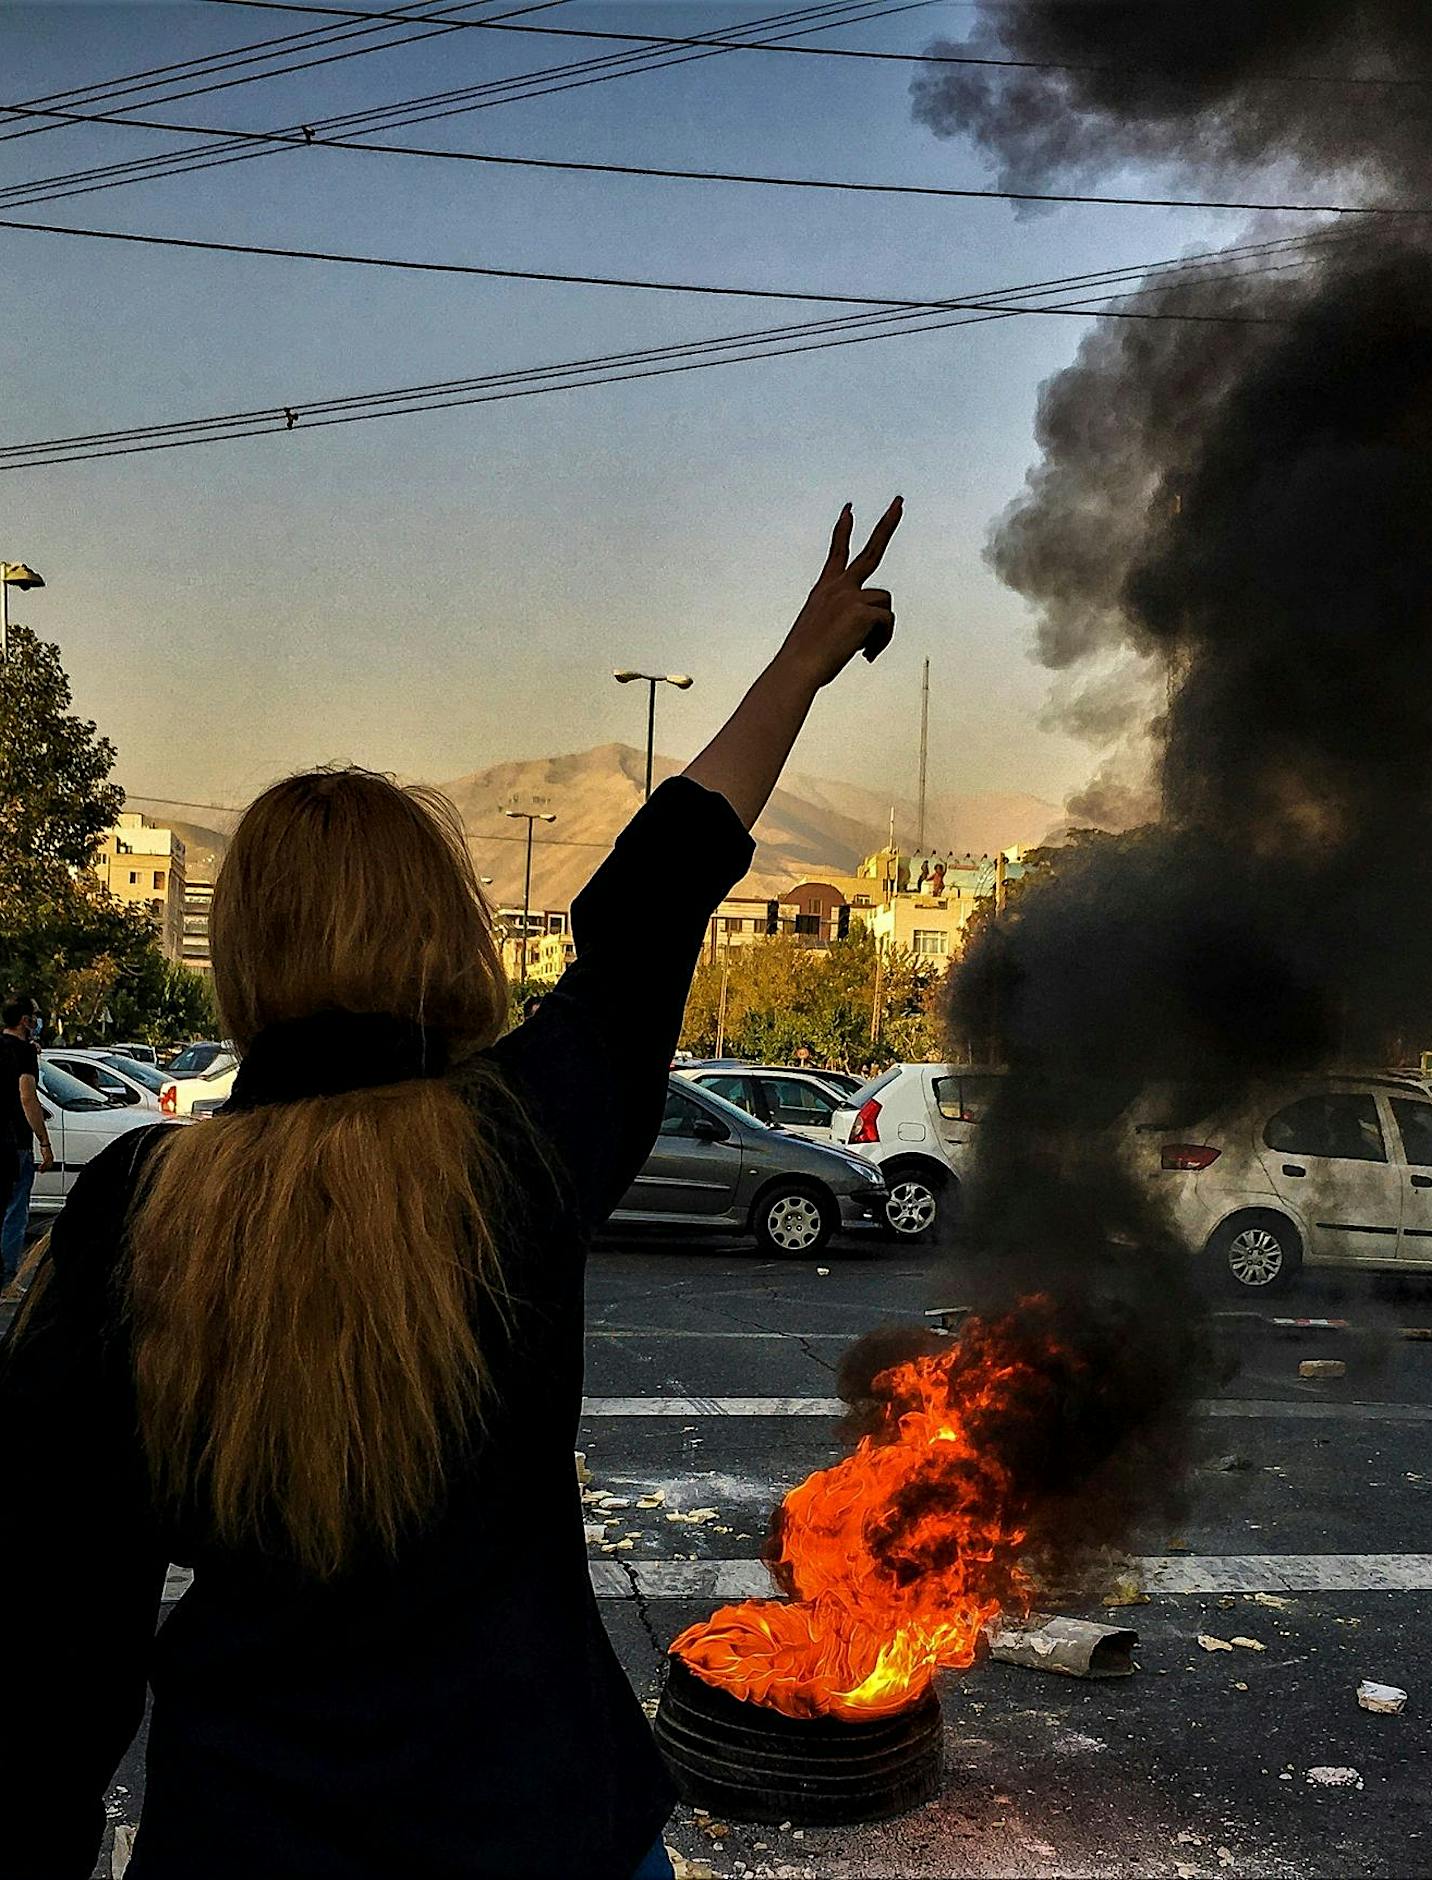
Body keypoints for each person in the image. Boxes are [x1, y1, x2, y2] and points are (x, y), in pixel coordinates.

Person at [0, 497, 901, 1880]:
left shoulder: (138, 1204)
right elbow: (656, 895)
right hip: (544, 1825)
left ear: (243, 953)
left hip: (250, 1836)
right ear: (441, 930)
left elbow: (55, 1641)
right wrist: (798, 663)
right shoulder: (519, 1139)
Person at [0, 994, 56, 1288]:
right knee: (15, 1212)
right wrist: (44, 1141)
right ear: (25, 1020)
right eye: (35, 1015)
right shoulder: (24, 1054)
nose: (37, 1020)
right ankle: (7, 1281)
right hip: (14, 1143)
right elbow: (27, 1097)